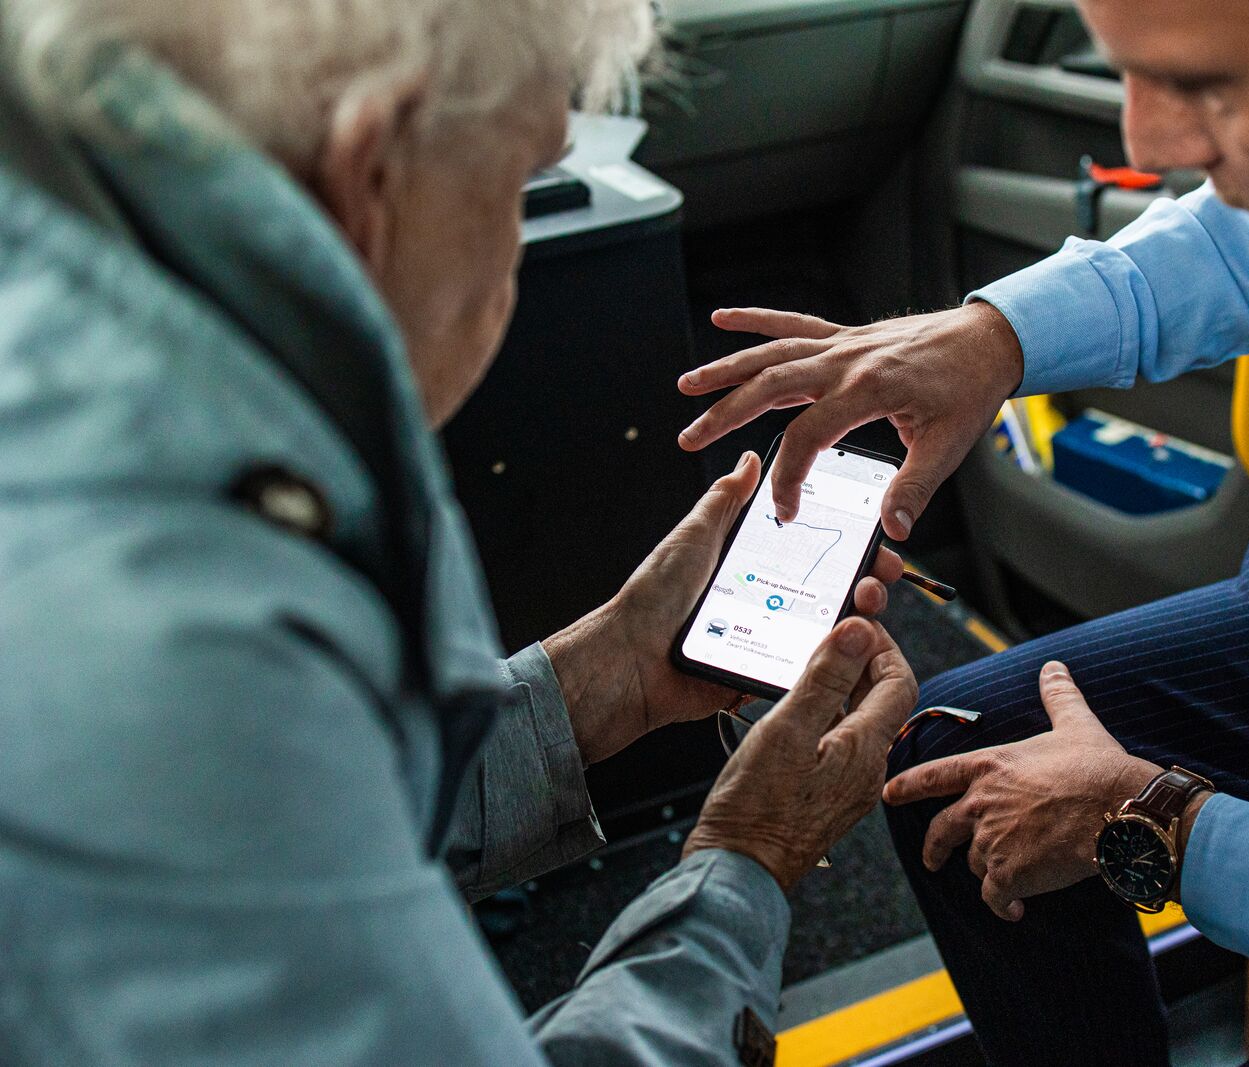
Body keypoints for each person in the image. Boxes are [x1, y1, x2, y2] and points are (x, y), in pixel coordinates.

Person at [675, 0, 1249, 1063]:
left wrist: (1163, 828)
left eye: (1213, 84)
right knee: (959, 756)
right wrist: (994, 339)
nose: (1145, 145)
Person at [0, 1, 920, 1063]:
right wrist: (744, 862)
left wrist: (597, 681)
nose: (515, 259)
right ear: (374, 160)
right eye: (520, 185)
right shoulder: (180, 634)